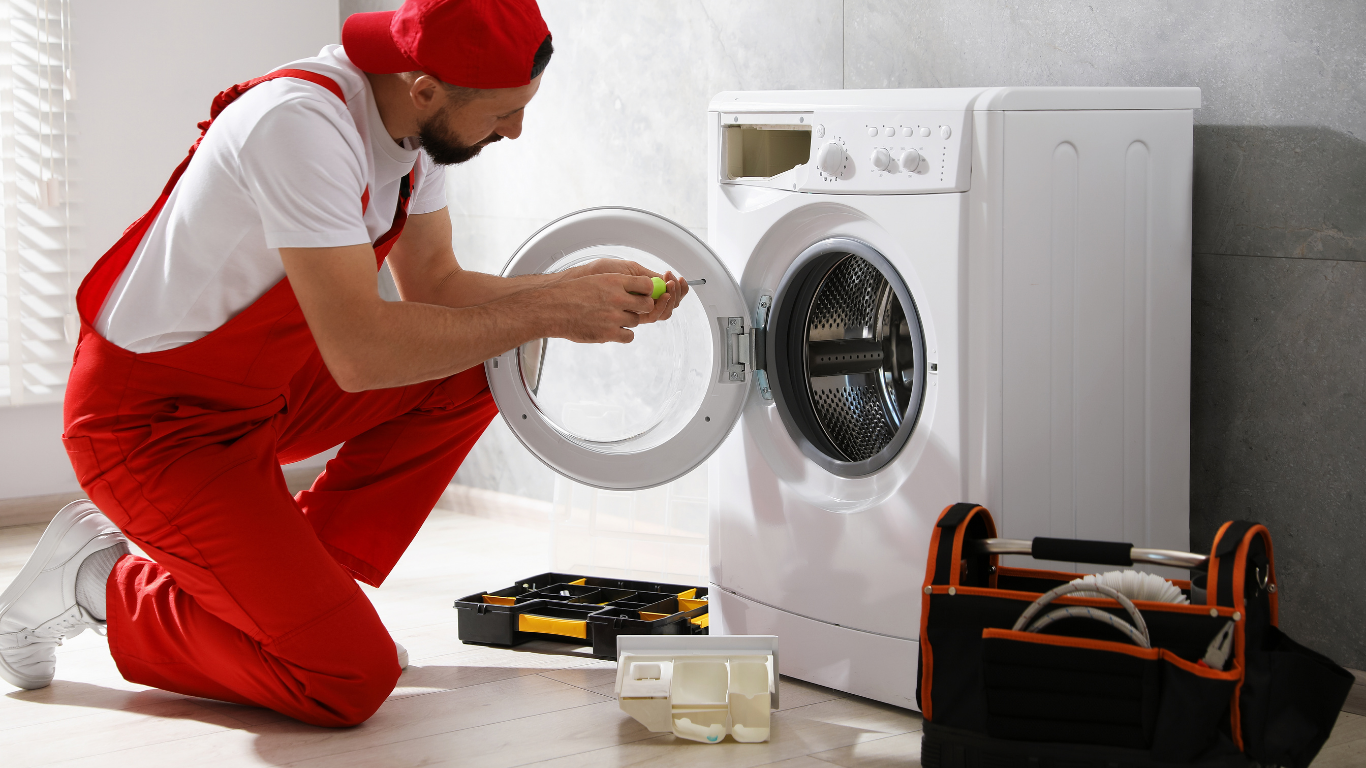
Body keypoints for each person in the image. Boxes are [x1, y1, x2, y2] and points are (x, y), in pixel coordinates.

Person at [0, 0, 687, 727]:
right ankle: (96, 582)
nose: (514, 131)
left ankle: (310, 593)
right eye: (500, 115)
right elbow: (360, 355)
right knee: (346, 678)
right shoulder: (299, 126)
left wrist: (574, 289)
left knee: (486, 360)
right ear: (425, 88)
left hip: (266, 388)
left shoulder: (413, 130)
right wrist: (549, 310)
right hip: (153, 426)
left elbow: (441, 291)